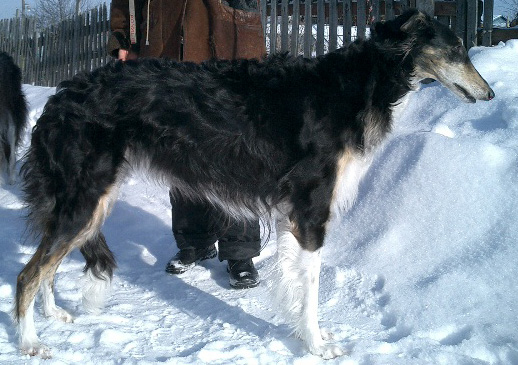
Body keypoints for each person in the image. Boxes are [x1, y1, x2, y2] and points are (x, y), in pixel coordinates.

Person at [108, 0, 266, 289]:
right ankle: (195, 241)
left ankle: (240, 252)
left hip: (227, 33)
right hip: (167, 41)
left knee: (235, 150)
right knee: (179, 148)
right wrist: (124, 38)